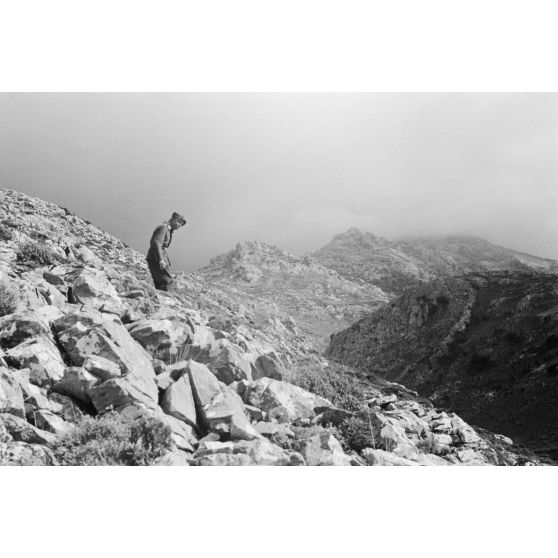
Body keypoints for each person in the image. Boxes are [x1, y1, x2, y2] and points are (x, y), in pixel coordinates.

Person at [146, 212, 187, 291]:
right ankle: (165, 300)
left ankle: (161, 299)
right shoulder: (163, 228)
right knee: (166, 281)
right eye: (178, 225)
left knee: (163, 282)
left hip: (159, 258)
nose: (178, 228)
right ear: (174, 220)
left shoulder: (168, 230)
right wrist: (161, 259)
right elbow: (157, 243)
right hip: (156, 258)